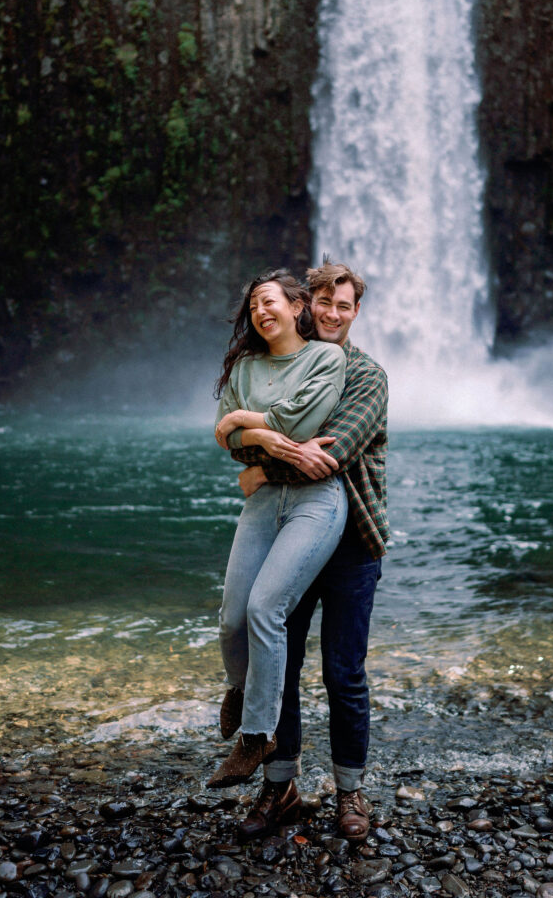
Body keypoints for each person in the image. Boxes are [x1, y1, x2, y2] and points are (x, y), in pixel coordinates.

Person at [227, 261, 388, 842]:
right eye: (324, 302)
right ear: (304, 305)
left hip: (351, 540)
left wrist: (257, 464)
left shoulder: (367, 376)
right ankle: (281, 787)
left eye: (343, 306)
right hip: (288, 535)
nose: (332, 314)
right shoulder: (283, 366)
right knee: (281, 661)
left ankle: (351, 791)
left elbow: (328, 453)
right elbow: (255, 442)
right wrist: (255, 442)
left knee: (344, 672)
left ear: (356, 312)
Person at [209, 268, 349, 789]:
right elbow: (230, 442)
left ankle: (257, 736)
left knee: (265, 607)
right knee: (232, 617)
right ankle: (239, 686)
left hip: (316, 499)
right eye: (252, 307)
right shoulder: (245, 366)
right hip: (264, 499)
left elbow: (301, 423)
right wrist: (262, 438)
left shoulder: (326, 358)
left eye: (269, 301)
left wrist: (242, 421)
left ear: (296, 306)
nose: (260, 312)